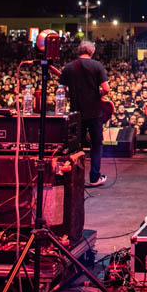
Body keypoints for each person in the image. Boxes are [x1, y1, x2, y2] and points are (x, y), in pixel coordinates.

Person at [60, 40, 110, 187]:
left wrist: (72, 95)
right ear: (92, 52)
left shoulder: (69, 67)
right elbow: (106, 89)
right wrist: (98, 95)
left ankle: (75, 178)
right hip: (94, 111)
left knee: (75, 146)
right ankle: (94, 178)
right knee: (96, 145)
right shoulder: (97, 66)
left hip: (76, 113)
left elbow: (61, 90)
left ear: (78, 51)